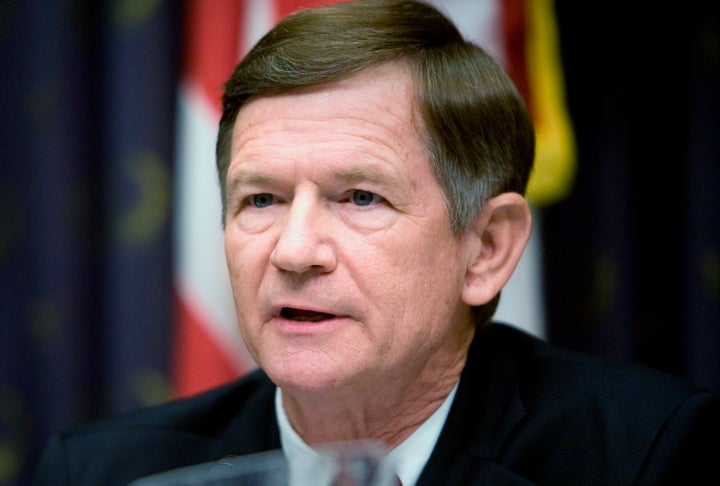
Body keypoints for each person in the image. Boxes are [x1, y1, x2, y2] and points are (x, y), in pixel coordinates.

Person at [34, 0, 720, 484]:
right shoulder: (104, 474)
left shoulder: (646, 455)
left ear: (486, 248)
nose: (294, 251)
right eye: (261, 199)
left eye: (360, 197)